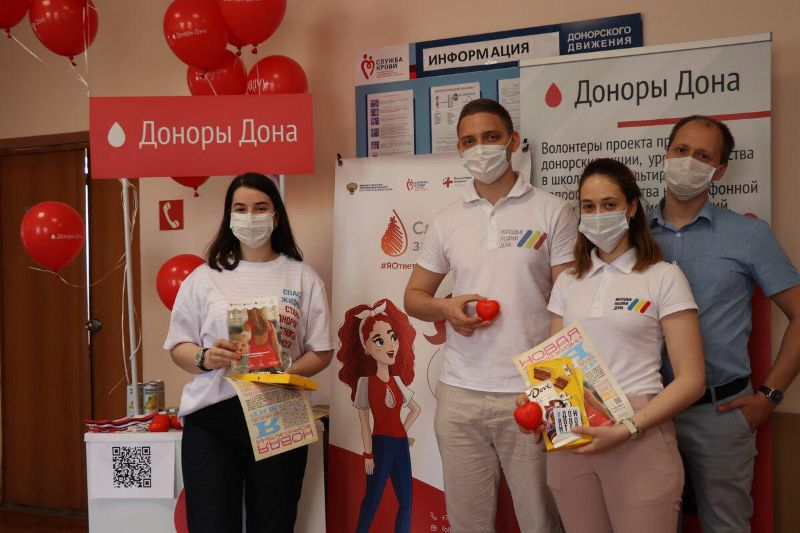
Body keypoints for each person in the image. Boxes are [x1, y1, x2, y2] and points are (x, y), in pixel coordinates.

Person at [404, 98, 576, 532]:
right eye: (470, 141)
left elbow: (572, 304)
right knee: (468, 524)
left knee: (540, 522)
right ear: (460, 149)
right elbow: (414, 298)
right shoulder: (447, 220)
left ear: (513, 141)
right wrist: (445, 308)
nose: (480, 148)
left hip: (531, 390)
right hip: (459, 393)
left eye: (491, 137)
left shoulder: (553, 210)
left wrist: (549, 386)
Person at [519, 157, 706, 532]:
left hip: (639, 430)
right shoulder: (568, 281)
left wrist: (627, 428)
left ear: (631, 207)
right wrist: (536, 403)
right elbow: (554, 367)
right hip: (574, 431)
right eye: (588, 207)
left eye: (609, 205)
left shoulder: (663, 277)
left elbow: (692, 380)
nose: (598, 215)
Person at [649, 115, 800, 532]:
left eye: (702, 156)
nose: (688, 161)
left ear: (719, 171)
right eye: (681, 150)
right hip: (647, 413)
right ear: (666, 154)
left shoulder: (748, 235)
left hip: (719, 413)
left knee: (726, 526)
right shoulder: (632, 234)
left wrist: (769, 397)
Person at [164, 173, 334, 533]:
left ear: (276, 215)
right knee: (210, 524)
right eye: (240, 209)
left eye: (260, 208)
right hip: (212, 418)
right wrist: (205, 358)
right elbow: (178, 346)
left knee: (274, 523)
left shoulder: (302, 277)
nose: (250, 216)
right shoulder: (204, 277)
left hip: (280, 409)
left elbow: (321, 351)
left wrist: (285, 372)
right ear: (229, 215)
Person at [337, 298, 422, 533]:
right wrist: (368, 454)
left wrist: (404, 432)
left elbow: (416, 409)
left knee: (406, 500)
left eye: (393, 337)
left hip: (400, 445)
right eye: (379, 341)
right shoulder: (365, 383)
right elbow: (364, 424)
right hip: (381, 445)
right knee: (373, 498)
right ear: (366, 348)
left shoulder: (397, 381)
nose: (390, 345)